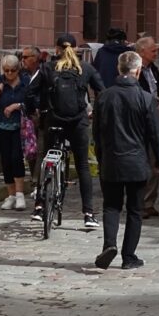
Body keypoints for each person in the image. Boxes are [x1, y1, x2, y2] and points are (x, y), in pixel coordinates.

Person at [93, 51, 159, 270]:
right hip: (136, 161)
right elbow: (155, 134)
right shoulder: (146, 98)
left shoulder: (104, 96)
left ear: (119, 68)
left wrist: (101, 157)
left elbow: (97, 133)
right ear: (138, 70)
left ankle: (109, 244)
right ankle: (129, 256)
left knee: (111, 206)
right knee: (135, 210)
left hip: (112, 159)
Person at [26, 33, 106, 228]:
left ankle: (39, 206)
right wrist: (94, 112)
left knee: (46, 158)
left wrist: (35, 111)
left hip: (53, 120)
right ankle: (88, 214)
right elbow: (102, 91)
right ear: (76, 49)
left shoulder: (47, 68)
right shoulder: (86, 68)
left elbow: (29, 92)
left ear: (57, 49)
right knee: (82, 166)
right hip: (78, 122)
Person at [0, 55, 30, 211]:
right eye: (6, 70)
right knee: (6, 161)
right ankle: (11, 195)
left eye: (12, 70)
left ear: (18, 69)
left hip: (19, 127)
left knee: (17, 158)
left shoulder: (25, 82)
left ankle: (20, 194)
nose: (9, 73)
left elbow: (32, 102)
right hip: (2, 127)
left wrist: (17, 106)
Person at [134, 36, 159, 218]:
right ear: (142, 52)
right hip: (141, 120)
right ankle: (139, 203)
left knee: (156, 160)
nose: (156, 53)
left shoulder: (154, 69)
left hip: (155, 118)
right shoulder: (135, 70)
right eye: (153, 50)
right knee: (142, 162)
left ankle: (149, 202)